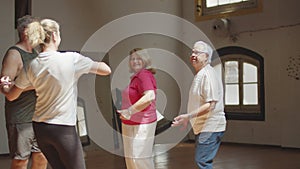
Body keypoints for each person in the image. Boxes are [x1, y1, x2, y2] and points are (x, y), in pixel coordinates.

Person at [1, 18, 111, 169]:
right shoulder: (69, 59)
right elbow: (106, 70)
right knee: (24, 160)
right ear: (54, 35)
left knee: (48, 162)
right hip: (47, 124)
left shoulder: (33, 61)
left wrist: (29, 83)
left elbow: (14, 92)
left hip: (40, 125)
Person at [0, 15, 48, 169]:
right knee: (21, 159)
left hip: (38, 116)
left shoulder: (35, 53)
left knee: (41, 155)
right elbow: (5, 86)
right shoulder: (14, 54)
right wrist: (32, 85)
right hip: (20, 117)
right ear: (26, 32)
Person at [172, 41, 226, 169]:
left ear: (207, 57)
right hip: (203, 127)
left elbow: (211, 105)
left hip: (211, 126)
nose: (193, 55)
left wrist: (188, 116)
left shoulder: (208, 74)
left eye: (197, 52)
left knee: (202, 161)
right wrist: (190, 118)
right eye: (192, 52)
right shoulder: (200, 74)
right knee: (202, 160)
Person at [117, 48, 157, 169]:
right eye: (132, 59)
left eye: (138, 58)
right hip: (130, 123)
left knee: (139, 159)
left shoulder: (144, 75)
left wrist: (129, 111)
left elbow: (150, 96)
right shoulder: (136, 77)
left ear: (145, 60)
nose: (135, 61)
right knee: (132, 160)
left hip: (142, 123)